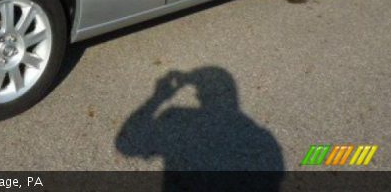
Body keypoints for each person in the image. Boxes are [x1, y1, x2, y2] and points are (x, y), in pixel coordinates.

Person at [116, 67, 284, 190]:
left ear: (200, 94)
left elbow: (126, 146)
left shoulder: (176, 118)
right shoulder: (263, 137)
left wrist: (157, 98)